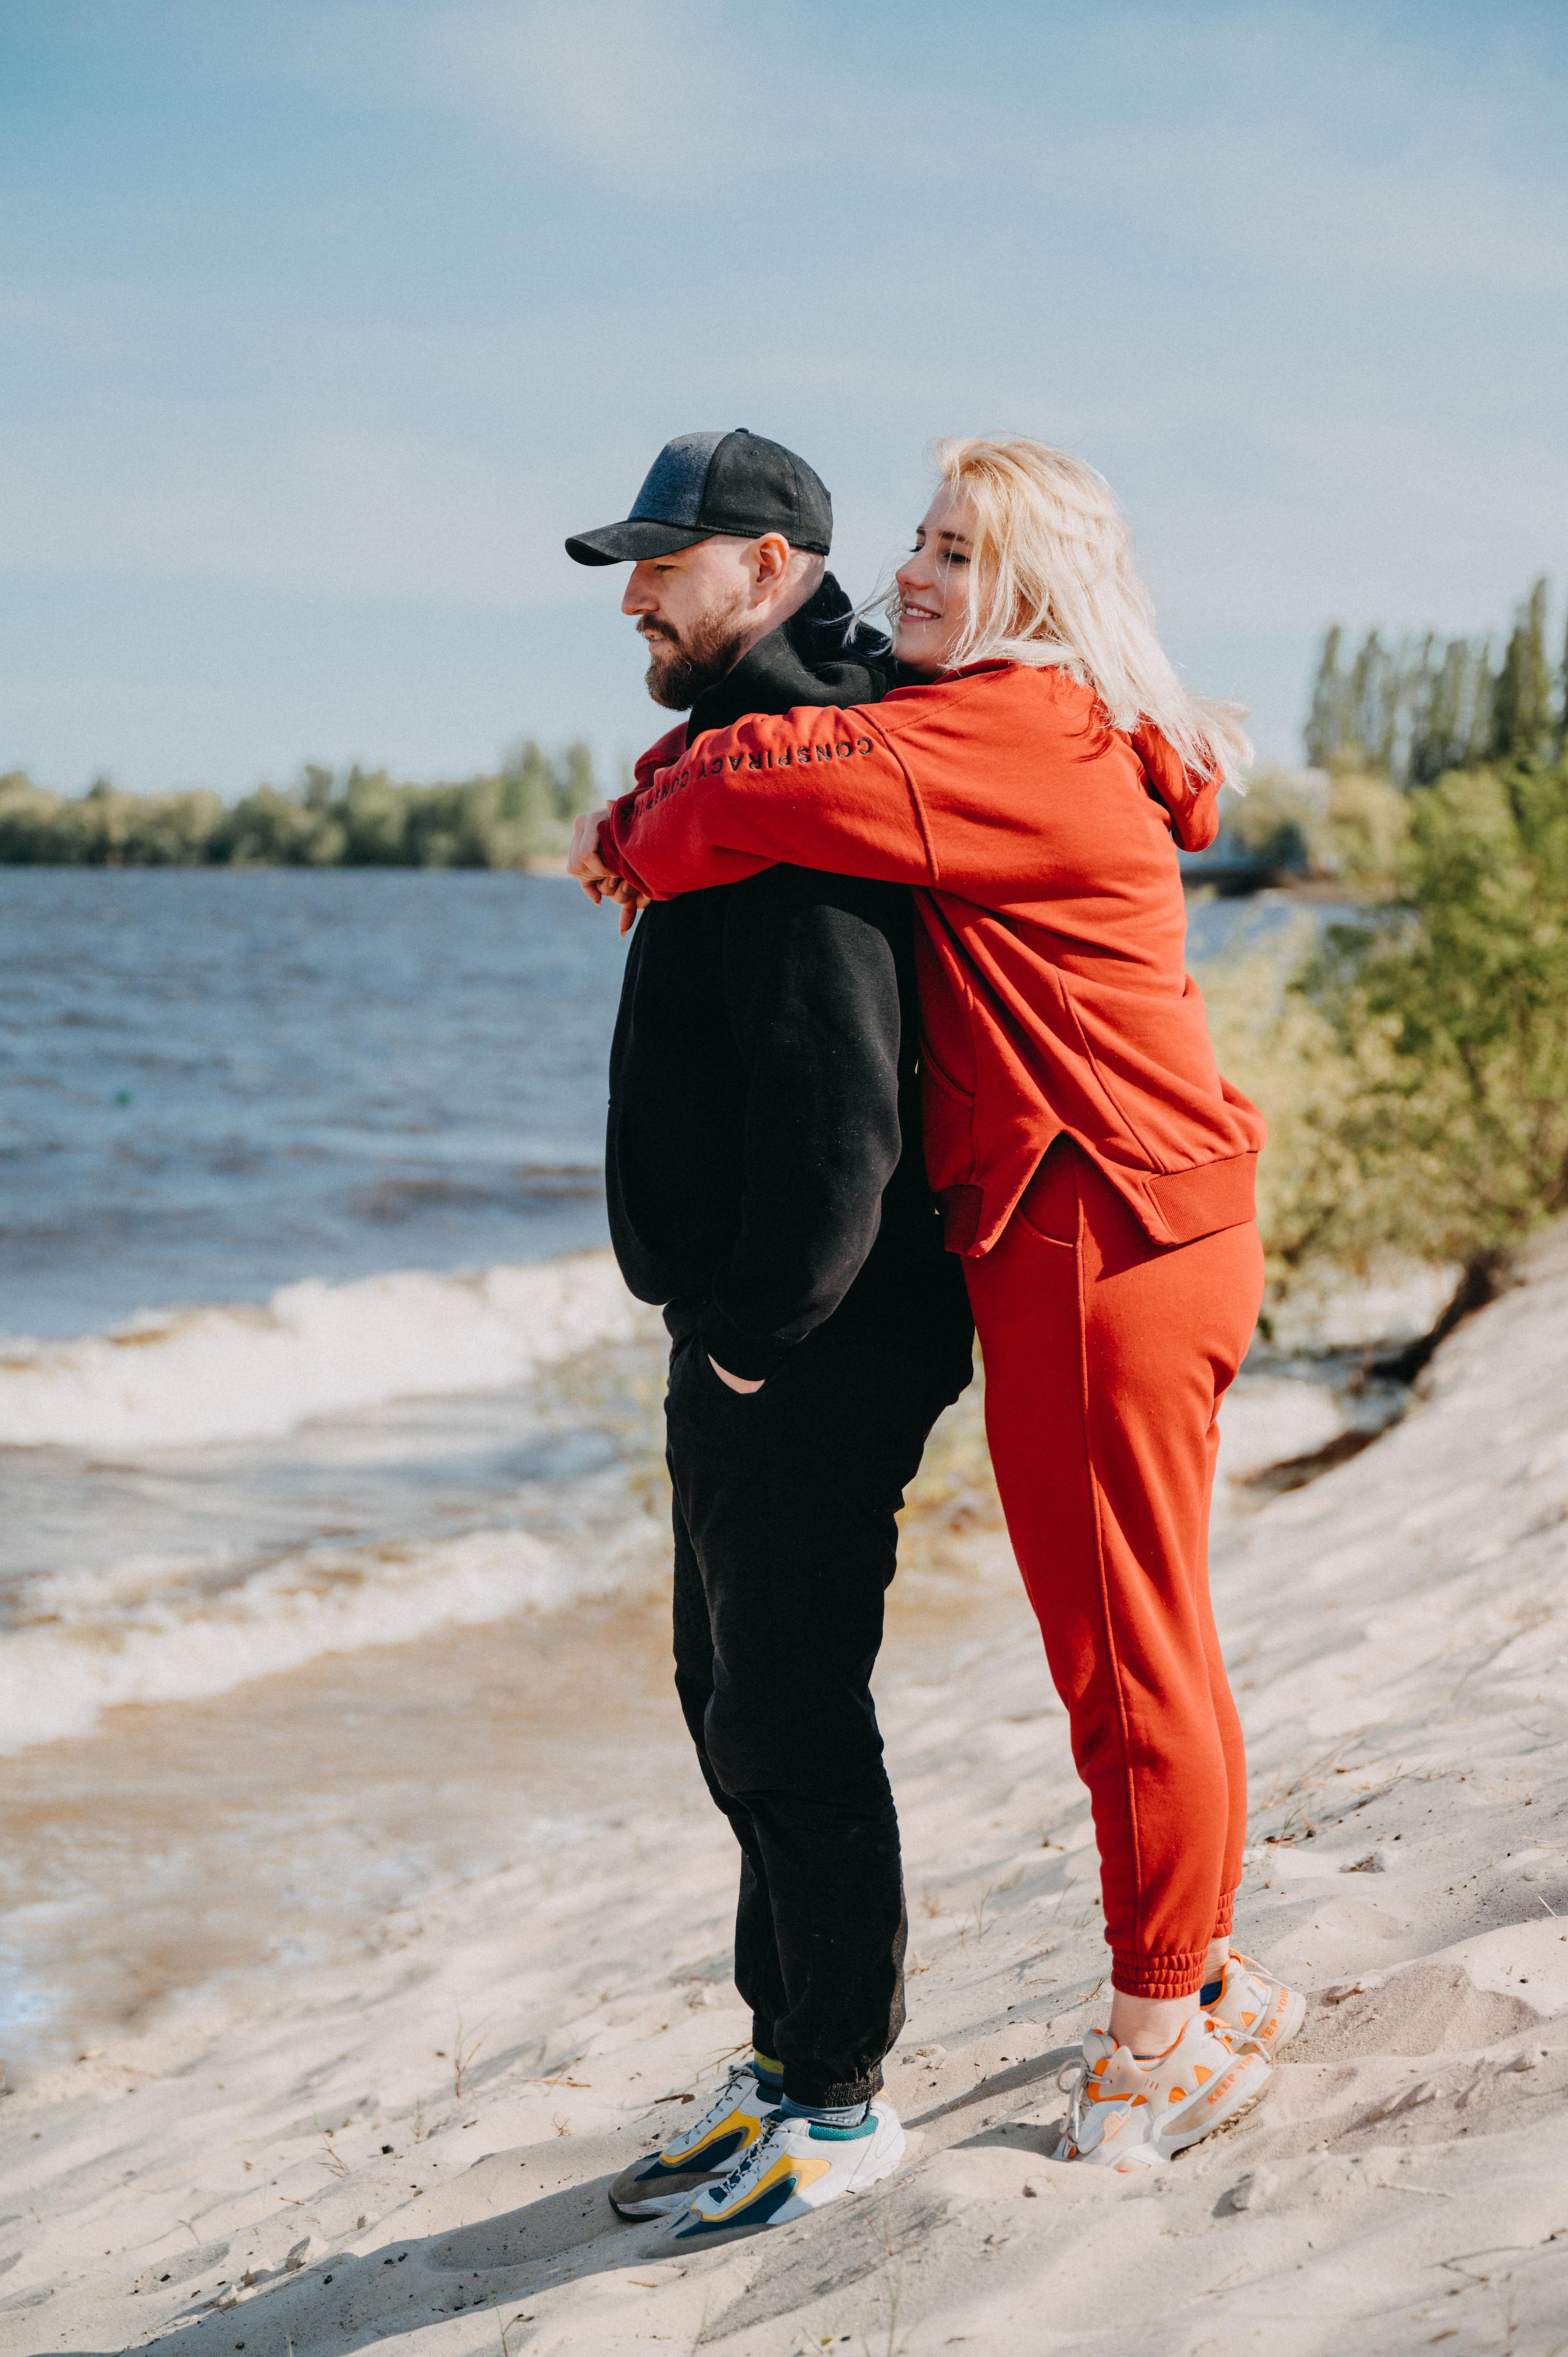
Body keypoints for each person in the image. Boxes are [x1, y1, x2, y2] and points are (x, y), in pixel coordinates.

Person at [571, 436, 1308, 2176]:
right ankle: (1201, 1972)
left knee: (1121, 1657)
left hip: (1096, 1224)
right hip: (1153, 1211)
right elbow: (764, 765)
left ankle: (1157, 2040)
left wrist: (627, 822)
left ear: (1035, 595)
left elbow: (751, 784)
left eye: (956, 552)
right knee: (1159, 1636)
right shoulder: (1042, 723)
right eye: (916, 537)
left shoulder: (1005, 728)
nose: (912, 571)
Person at [564, 431, 974, 2232]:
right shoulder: (749, 750)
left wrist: (754, 1329)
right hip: (762, 1318)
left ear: (768, 560)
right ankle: (788, 2044)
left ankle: (840, 2094)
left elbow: (842, 1099)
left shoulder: (819, 764)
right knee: (725, 1692)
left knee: (788, 1701)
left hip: (819, 1325)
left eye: (662, 560)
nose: (634, 593)